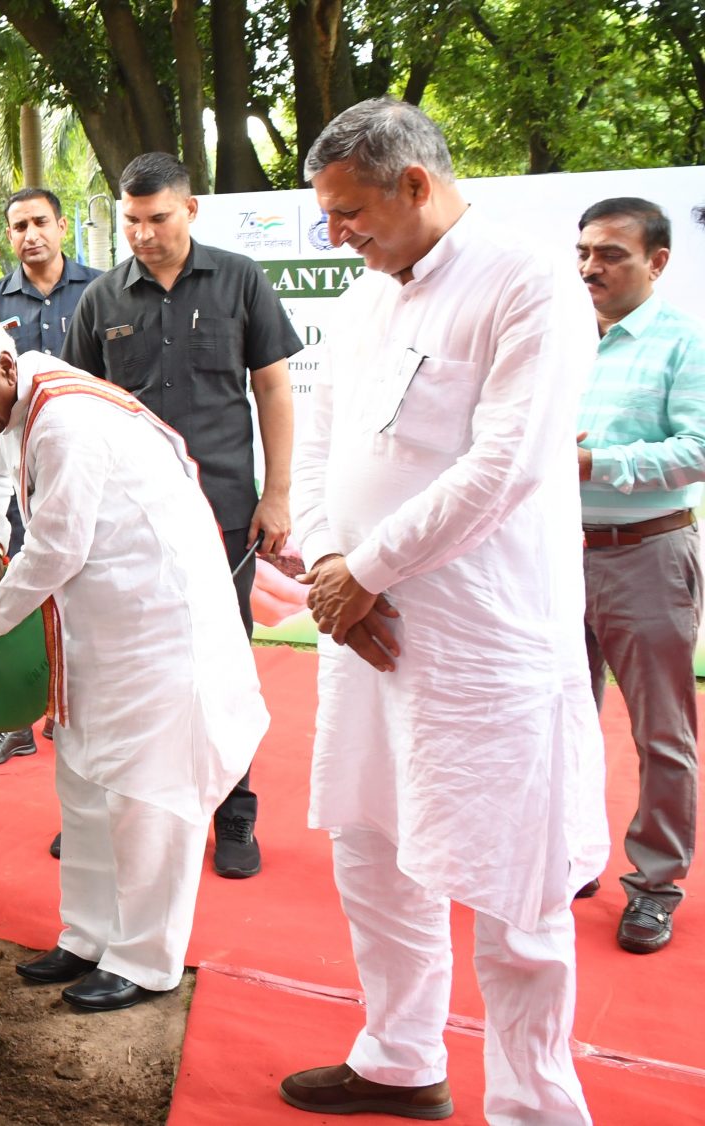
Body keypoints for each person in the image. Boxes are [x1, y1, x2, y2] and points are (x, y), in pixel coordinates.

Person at [282, 98, 606, 1122]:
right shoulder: (362, 295)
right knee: (370, 850)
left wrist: (363, 568)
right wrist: (335, 561)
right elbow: (322, 437)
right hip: (365, 631)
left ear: (413, 184)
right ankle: (397, 1058)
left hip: (484, 642)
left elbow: (506, 464)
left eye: (348, 212)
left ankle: (532, 1106)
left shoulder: (525, 280)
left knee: (515, 893)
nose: (336, 235)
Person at [0, 318, 267, 1012]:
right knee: (82, 781)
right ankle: (86, 936)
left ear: (2, 363)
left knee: (148, 794)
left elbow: (58, 545)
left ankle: (145, 960)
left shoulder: (65, 421)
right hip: (95, 624)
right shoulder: (12, 401)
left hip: (158, 624)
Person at [61, 151, 302, 879]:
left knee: (220, 663)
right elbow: (76, 413)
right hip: (129, 522)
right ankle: (119, 811)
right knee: (124, 664)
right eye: (130, 220)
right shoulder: (102, 299)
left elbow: (274, 390)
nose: (142, 233)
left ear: (189, 210)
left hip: (224, 510)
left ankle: (235, 815)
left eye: (157, 218)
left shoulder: (239, 279)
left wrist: (279, 493)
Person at [574, 196, 705, 954]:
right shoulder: (563, 338)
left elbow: (697, 450)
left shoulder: (683, 343)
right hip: (559, 554)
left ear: (656, 262)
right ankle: (576, 856)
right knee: (563, 721)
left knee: (662, 734)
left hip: (649, 554)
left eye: (612, 254)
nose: (592, 266)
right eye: (585, 251)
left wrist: (594, 463)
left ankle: (655, 884)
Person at [0, 188, 104, 767]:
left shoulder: (102, 289)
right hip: (16, 466)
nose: (30, 234)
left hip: (83, 463)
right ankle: (14, 715)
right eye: (18, 225)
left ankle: (74, 707)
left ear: (62, 225)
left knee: (80, 587)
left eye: (40, 222)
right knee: (10, 575)